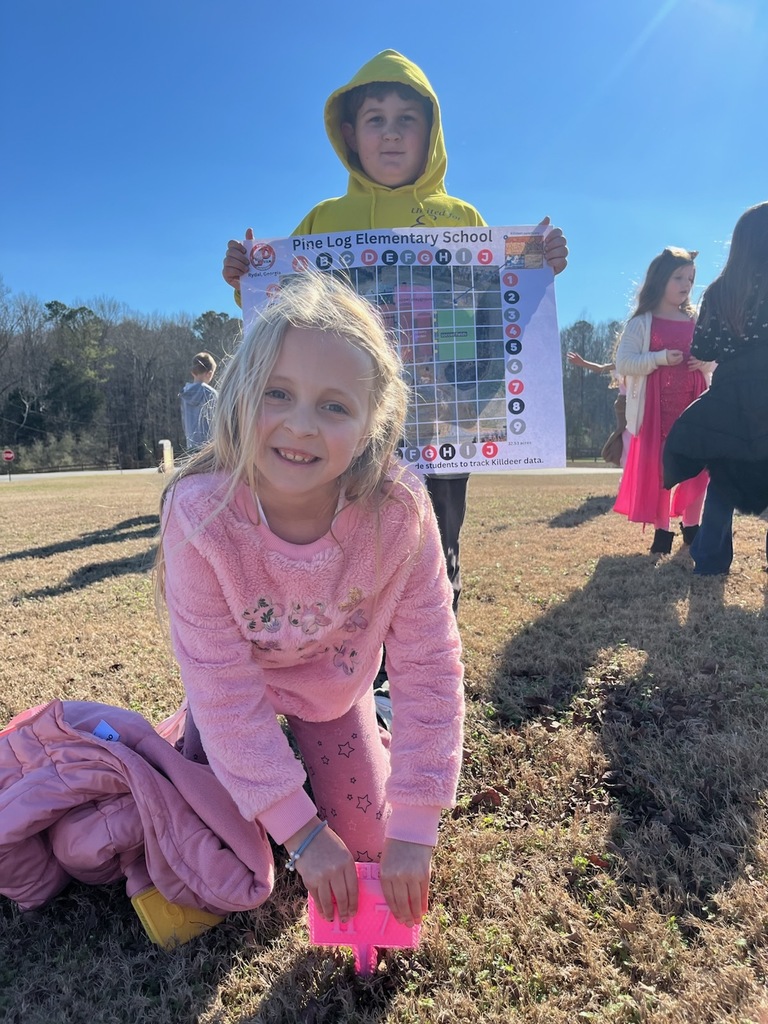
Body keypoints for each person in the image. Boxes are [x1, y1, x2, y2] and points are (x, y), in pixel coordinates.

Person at [156, 273, 465, 930]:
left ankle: (360, 740)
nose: (299, 425)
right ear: (240, 394)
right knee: (222, 865)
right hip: (237, 702)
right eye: (278, 393)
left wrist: (415, 823)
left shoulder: (399, 512)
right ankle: (193, 747)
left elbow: (429, 663)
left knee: (368, 848)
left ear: (371, 421)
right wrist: (299, 832)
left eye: (333, 406)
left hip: (334, 693)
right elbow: (224, 688)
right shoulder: (199, 515)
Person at [222, 49, 568, 614]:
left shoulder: (462, 218)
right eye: (375, 119)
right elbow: (288, 315)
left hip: (443, 422)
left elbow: (495, 313)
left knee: (432, 543)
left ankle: (429, 663)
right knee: (348, 543)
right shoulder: (322, 221)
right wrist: (246, 283)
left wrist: (537, 268)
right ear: (350, 135)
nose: (390, 133)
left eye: (407, 118)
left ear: (430, 132)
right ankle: (357, 674)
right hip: (348, 424)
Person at [663, 201, 768, 575]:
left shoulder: (720, 290)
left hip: (729, 393)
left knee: (724, 479)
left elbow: (704, 349)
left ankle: (709, 561)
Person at [613, 247, 712, 556]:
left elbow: (714, 362)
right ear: (660, 279)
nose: (686, 285)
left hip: (694, 406)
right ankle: (662, 534)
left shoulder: (696, 320)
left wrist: (704, 361)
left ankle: (692, 530)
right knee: (661, 472)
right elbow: (624, 362)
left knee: (698, 469)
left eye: (691, 279)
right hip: (656, 410)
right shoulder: (642, 322)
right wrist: (658, 359)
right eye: (679, 277)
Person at [566, 351, 629, 468]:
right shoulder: (618, 365)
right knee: (625, 432)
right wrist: (583, 363)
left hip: (638, 402)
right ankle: (620, 455)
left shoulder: (639, 363)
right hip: (624, 404)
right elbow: (600, 368)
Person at [179, 352, 218, 451]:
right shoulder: (210, 393)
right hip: (209, 447)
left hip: (191, 446)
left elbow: (184, 422)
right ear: (209, 373)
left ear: (193, 372)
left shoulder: (184, 394)